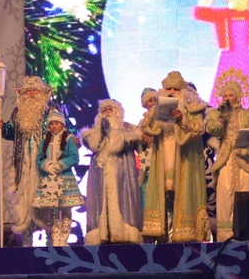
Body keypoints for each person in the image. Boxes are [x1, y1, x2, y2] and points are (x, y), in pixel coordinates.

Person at [205, 71, 249, 241]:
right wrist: (220, 116)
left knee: (246, 192)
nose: (228, 98)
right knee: (226, 193)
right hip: (226, 160)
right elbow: (212, 130)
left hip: (245, 159)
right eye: (225, 96)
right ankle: (225, 236)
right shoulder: (219, 114)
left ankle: (248, 232)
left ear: (238, 96)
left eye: (231, 95)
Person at [140, 71, 208, 242]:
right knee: (164, 196)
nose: (171, 92)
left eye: (176, 89)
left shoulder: (193, 108)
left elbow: (198, 130)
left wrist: (181, 120)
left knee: (182, 195)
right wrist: (152, 115)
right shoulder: (157, 109)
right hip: (163, 157)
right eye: (168, 89)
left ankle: (184, 233)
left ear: (183, 91)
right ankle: (164, 235)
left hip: (185, 159)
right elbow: (148, 128)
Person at [0, 75, 54, 244]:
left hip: (45, 166)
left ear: (42, 92)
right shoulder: (18, 112)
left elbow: (65, 129)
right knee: (24, 204)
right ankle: (27, 243)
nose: (30, 94)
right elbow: (12, 132)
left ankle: (51, 244)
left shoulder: (52, 110)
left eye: (34, 91)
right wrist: (3, 128)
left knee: (47, 204)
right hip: (23, 166)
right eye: (27, 91)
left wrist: (73, 138)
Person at [80, 98, 143, 245]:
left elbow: (119, 145)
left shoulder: (130, 130)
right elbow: (93, 145)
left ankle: (125, 233)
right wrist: (102, 132)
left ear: (117, 112)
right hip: (100, 174)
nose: (107, 112)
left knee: (123, 199)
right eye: (104, 110)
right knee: (100, 202)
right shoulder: (92, 133)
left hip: (122, 173)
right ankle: (101, 233)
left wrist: (112, 132)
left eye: (110, 109)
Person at [32, 109, 83, 246]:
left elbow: (74, 158)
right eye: (52, 123)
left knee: (66, 209)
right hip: (50, 181)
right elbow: (39, 159)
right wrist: (47, 166)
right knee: (53, 210)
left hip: (65, 181)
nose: (54, 126)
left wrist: (60, 165)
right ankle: (55, 238)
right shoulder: (45, 141)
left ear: (62, 124)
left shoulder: (69, 139)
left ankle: (64, 238)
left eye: (57, 123)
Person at [138, 88, 158, 210]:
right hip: (149, 157)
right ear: (145, 104)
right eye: (150, 101)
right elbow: (139, 145)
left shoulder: (163, 117)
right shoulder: (142, 122)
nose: (153, 103)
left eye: (155, 99)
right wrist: (143, 140)